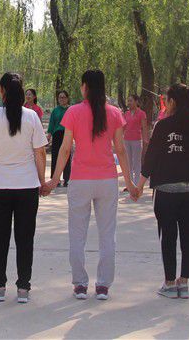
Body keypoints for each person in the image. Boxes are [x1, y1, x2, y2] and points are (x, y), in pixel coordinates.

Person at [45, 70, 133, 301]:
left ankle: (80, 285)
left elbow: (65, 149)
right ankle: (103, 285)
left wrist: (54, 180)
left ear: (84, 87)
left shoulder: (74, 112)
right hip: (107, 180)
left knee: (77, 234)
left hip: (80, 180)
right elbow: (121, 150)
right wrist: (130, 183)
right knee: (107, 235)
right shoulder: (114, 113)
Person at [131, 83, 189, 300]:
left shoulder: (162, 126)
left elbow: (151, 158)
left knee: (167, 236)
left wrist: (139, 185)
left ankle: (169, 283)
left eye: (167, 100)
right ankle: (183, 283)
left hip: (166, 190)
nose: (166, 105)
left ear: (173, 102)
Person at [0, 72, 48, 304]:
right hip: (27, 186)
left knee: (0, 238)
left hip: (0, 186)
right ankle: (23, 288)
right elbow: (40, 152)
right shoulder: (31, 117)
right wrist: (42, 181)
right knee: (25, 239)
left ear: (2, 91)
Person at [46, 90, 72, 186]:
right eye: (60, 97)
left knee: (67, 156)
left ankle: (67, 179)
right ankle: (55, 179)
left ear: (67, 98)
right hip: (57, 135)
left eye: (64, 97)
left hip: (67, 135)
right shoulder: (55, 110)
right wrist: (49, 136)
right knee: (55, 156)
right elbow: (51, 124)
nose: (62, 99)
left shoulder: (71, 110)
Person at [122, 94, 146, 188]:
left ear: (136, 102)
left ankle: (137, 184)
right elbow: (123, 127)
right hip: (126, 140)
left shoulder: (141, 113)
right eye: (128, 101)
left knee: (136, 162)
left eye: (131, 101)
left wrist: (145, 140)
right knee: (128, 163)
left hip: (136, 140)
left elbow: (144, 127)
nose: (129, 103)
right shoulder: (126, 113)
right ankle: (130, 184)